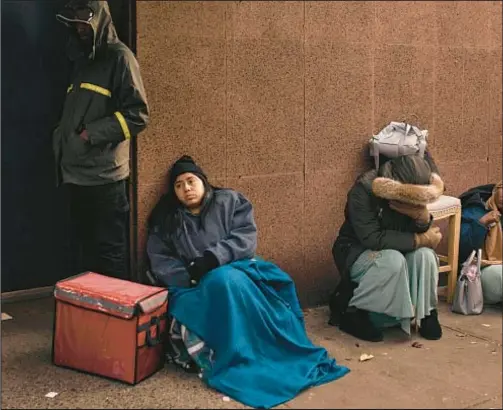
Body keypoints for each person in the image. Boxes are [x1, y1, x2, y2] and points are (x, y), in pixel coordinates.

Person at [146, 155, 349, 409]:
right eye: (178, 185)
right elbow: (160, 261)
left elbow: (245, 238)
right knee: (212, 289)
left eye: (190, 181)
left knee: (232, 282)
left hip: (238, 270)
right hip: (194, 286)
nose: (186, 188)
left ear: (203, 181)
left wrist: (213, 259)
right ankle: (237, 355)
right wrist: (191, 275)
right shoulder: (166, 220)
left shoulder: (229, 201)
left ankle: (267, 351)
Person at [53, 0, 149, 279]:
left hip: (104, 179)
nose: (79, 27)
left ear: (100, 19)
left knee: (109, 253)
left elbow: (138, 115)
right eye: (74, 22)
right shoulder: (82, 61)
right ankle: (89, 316)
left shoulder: (120, 57)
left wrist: (90, 134)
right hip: (75, 174)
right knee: (84, 252)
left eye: (84, 20)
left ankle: (114, 318)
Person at [330, 153, 445, 342]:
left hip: (399, 247)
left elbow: (416, 232)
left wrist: (422, 219)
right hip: (356, 250)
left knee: (425, 255)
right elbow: (372, 238)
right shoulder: (364, 190)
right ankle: (356, 312)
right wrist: (418, 239)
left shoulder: (416, 195)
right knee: (392, 260)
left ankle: (427, 313)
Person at [459, 181, 503, 305]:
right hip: (478, 272)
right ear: (496, 189)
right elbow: (462, 247)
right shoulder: (475, 209)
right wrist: (481, 223)